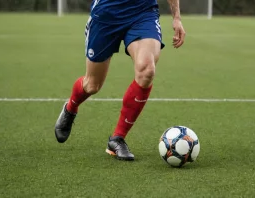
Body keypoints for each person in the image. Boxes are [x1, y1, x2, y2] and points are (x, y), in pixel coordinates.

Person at [54, 0, 186, 161]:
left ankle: (117, 138)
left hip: (142, 12)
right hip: (106, 15)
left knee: (147, 70)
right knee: (92, 85)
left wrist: (177, 17)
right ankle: (70, 107)